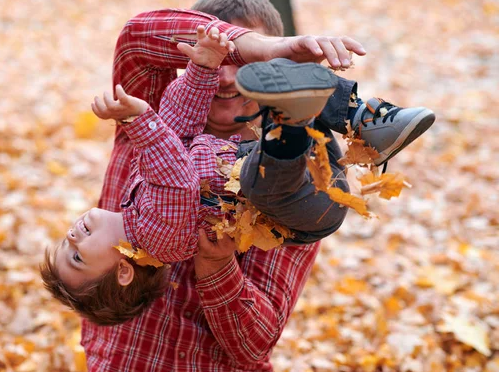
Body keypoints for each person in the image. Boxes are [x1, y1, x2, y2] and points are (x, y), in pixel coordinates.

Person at [78, 0, 435, 372]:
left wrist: (216, 267)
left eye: (246, 62)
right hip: (122, 371)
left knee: (289, 182)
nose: (229, 75)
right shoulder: (143, 120)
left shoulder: (296, 179)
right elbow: (135, 36)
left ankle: (323, 117)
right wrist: (248, 49)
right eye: (228, 57)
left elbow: (254, 345)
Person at [40, 26, 344, 326]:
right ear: (123, 271)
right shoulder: (159, 241)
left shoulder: (135, 205)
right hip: (299, 203)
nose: (70, 238)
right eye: (77, 257)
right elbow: (178, 181)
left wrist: (201, 68)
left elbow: (175, 126)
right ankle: (291, 116)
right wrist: (140, 122)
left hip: (297, 179)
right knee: (264, 168)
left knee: (301, 95)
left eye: (65, 246)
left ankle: (363, 117)